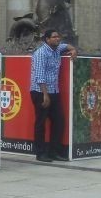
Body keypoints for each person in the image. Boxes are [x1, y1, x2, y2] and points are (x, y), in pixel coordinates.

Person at [30, 29, 77, 162]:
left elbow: (67, 46)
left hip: (54, 91)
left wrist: (73, 50)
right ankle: (40, 153)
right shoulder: (41, 53)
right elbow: (39, 76)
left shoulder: (57, 49)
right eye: (54, 37)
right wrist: (45, 95)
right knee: (41, 122)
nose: (57, 39)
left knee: (59, 121)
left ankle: (53, 151)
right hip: (40, 92)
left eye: (58, 36)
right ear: (47, 39)